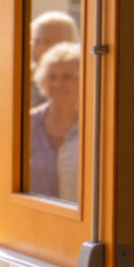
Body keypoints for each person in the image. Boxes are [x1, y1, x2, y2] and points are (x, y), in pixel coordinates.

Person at [28, 41, 80, 201]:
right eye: (52, 77)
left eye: (67, 77)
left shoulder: (96, 126)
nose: (58, 84)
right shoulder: (26, 125)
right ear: (42, 81)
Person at [29, 11, 79, 106]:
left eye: (47, 42)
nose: (39, 47)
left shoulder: (81, 77)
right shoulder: (24, 76)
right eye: (36, 41)